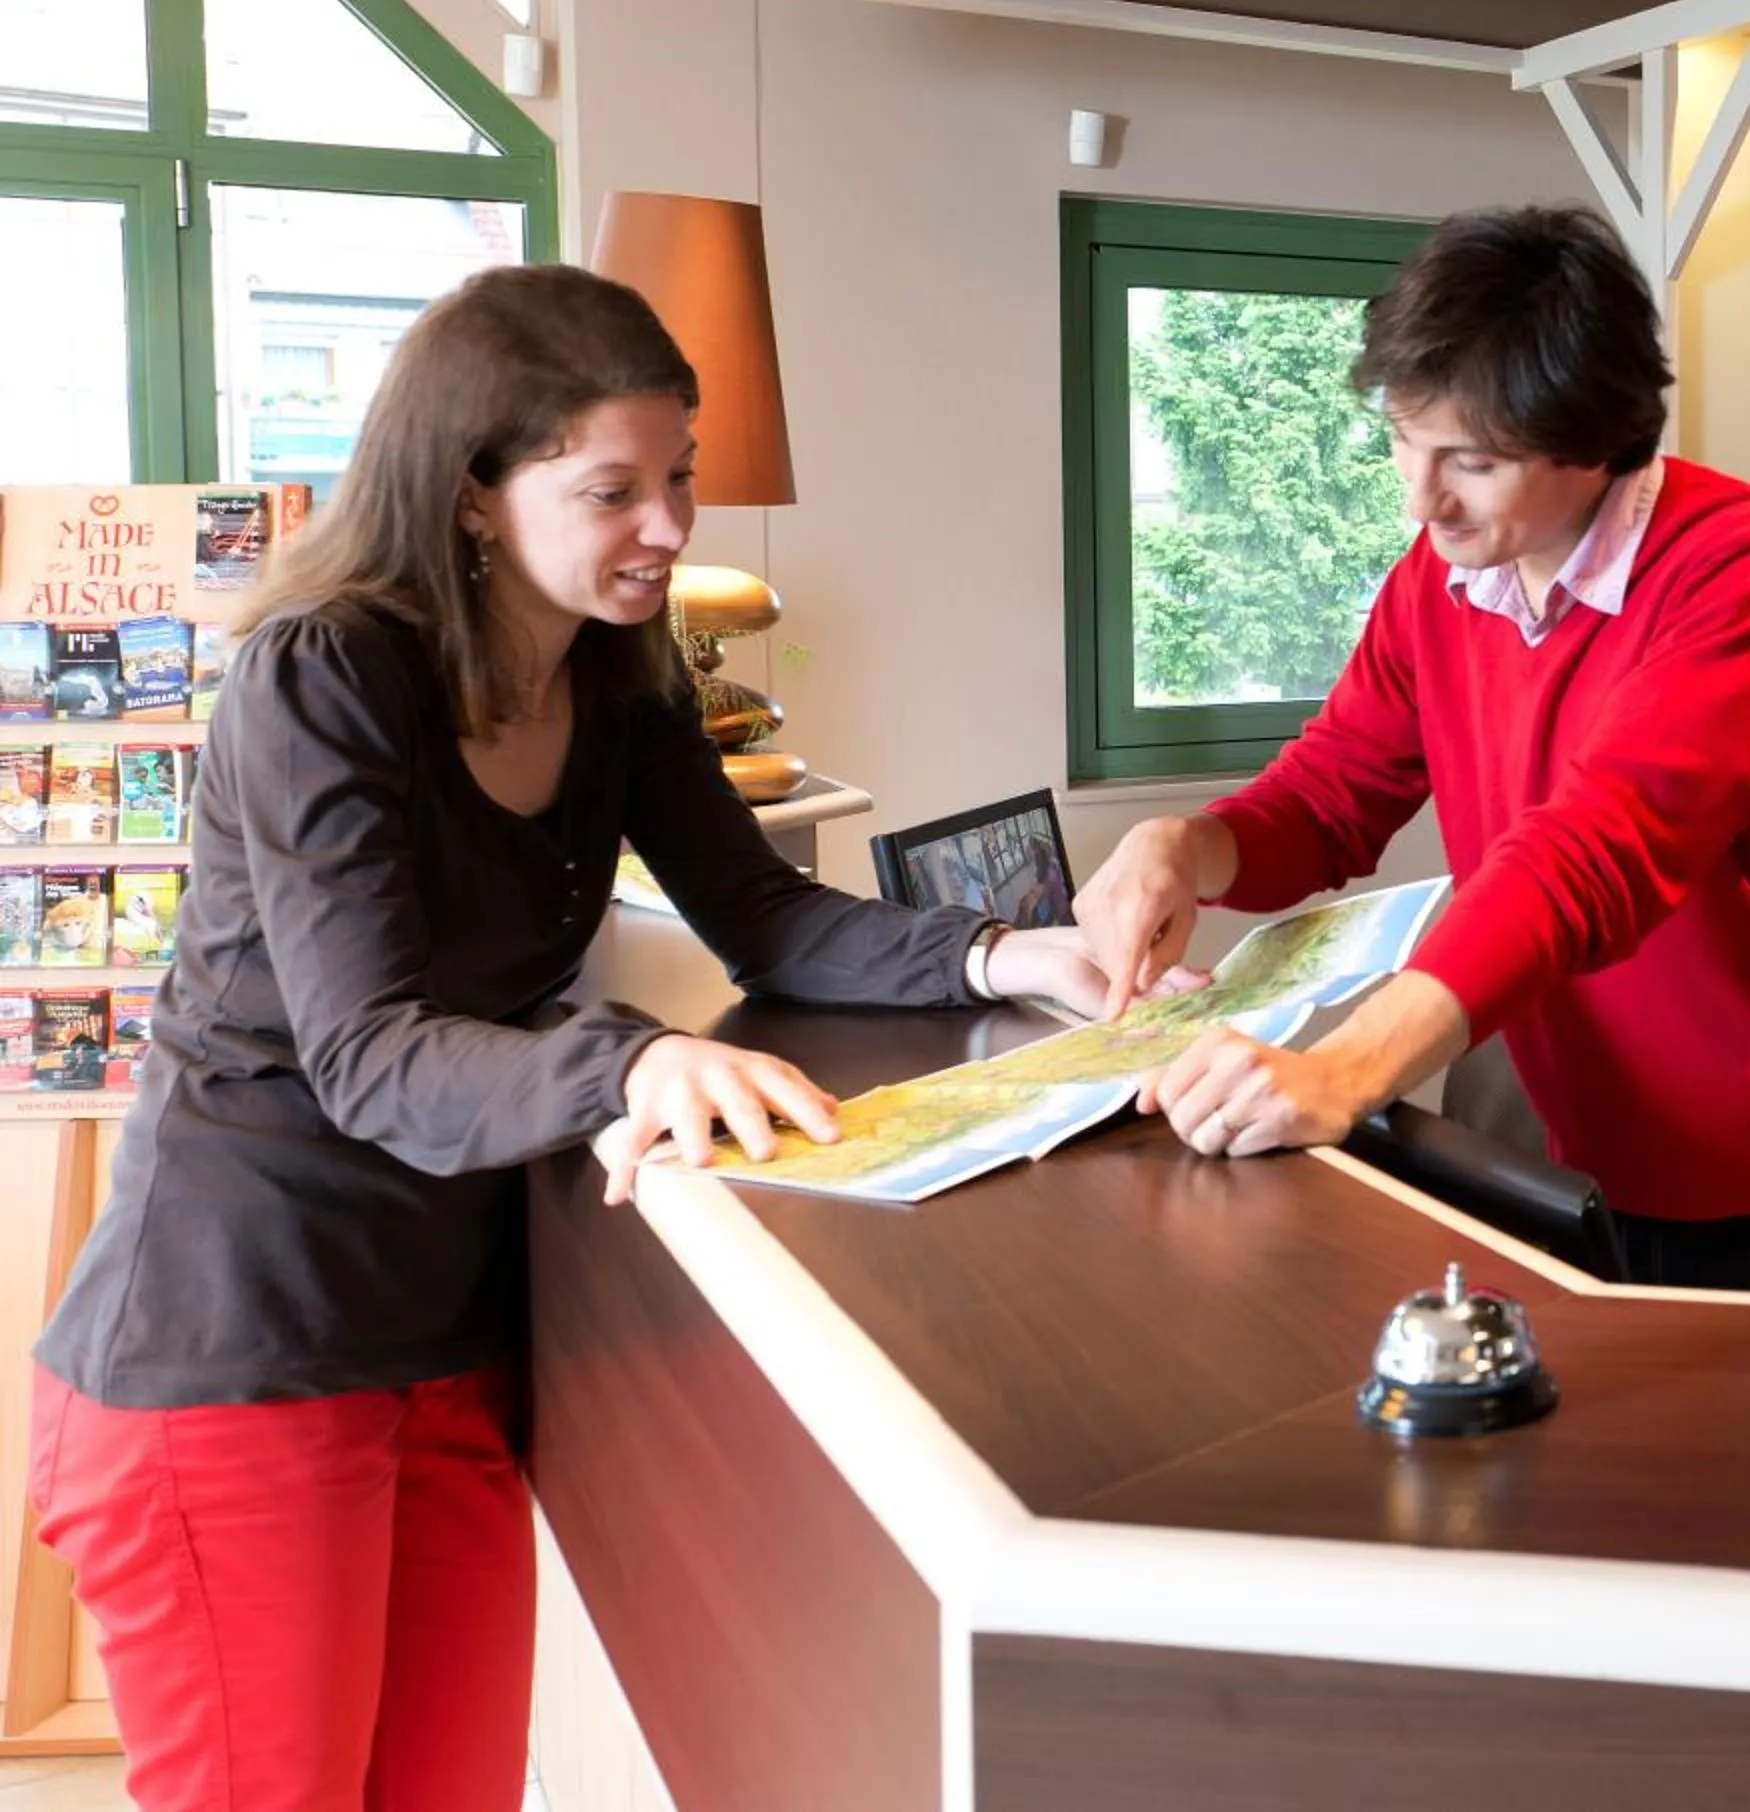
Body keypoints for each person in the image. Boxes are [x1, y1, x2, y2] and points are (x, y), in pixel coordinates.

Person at [29, 264, 1114, 1812]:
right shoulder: (325, 674)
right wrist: (627, 1061)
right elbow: (373, 1051)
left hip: (449, 1345)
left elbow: (771, 916)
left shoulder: (621, 672)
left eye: (677, 481)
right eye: (615, 490)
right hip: (239, 1350)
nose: (670, 529)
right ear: (475, 491)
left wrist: (1010, 953)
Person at [1078, 204, 1750, 1300]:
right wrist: (1182, 847)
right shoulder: (1437, 584)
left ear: (1593, 441)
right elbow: (1332, 795)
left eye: (1470, 461)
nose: (1417, 496)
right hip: (1563, 1162)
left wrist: (1348, 1070)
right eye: (1400, 439)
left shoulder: (1744, 560)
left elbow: (1597, 850)